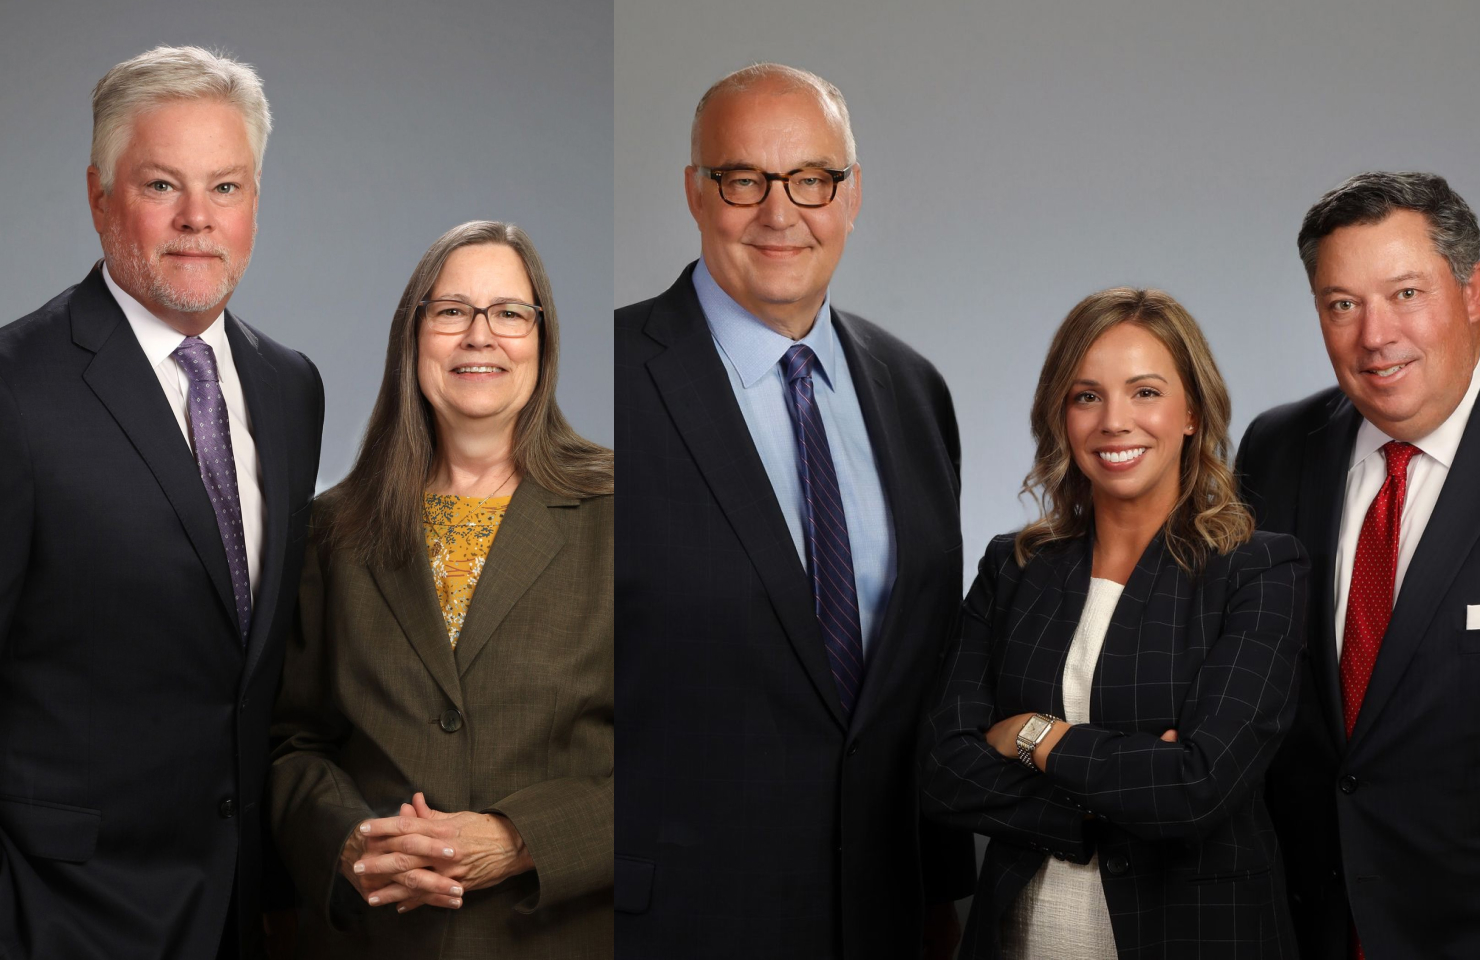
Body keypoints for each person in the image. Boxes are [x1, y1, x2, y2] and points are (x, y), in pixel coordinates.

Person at [615, 63, 974, 959]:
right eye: (744, 179)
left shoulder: (915, 391)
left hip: (886, 919)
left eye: (812, 179)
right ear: (696, 192)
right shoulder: (605, 380)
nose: (781, 213)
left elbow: (925, 676)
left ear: (851, 196)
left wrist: (942, 896)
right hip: (676, 923)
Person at [0, 46, 324, 959]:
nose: (197, 220)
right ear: (100, 196)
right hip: (58, 913)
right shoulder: (15, 389)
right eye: (160, 186)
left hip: (241, 913)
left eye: (226, 187)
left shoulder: (290, 387)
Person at [923, 288, 1308, 959]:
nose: (1114, 422)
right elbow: (943, 772)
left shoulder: (1259, 570)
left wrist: (1033, 734)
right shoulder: (1015, 568)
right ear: (1061, 415)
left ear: (1192, 412)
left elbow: (1197, 786)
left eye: (1145, 392)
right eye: (1086, 396)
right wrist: (1128, 787)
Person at [268, 220, 613, 959]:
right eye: (452, 310)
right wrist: (348, 839)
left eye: (509, 312)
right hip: (375, 942)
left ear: (542, 340)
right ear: (413, 337)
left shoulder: (626, 514)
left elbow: (690, 754)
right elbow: (291, 743)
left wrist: (521, 840)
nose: (479, 336)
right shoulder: (332, 530)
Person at [1238, 171, 1480, 958]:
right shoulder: (1276, 449)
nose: (1374, 336)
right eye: (1342, 304)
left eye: (1406, 294)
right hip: (1307, 928)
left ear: (1472, 290)